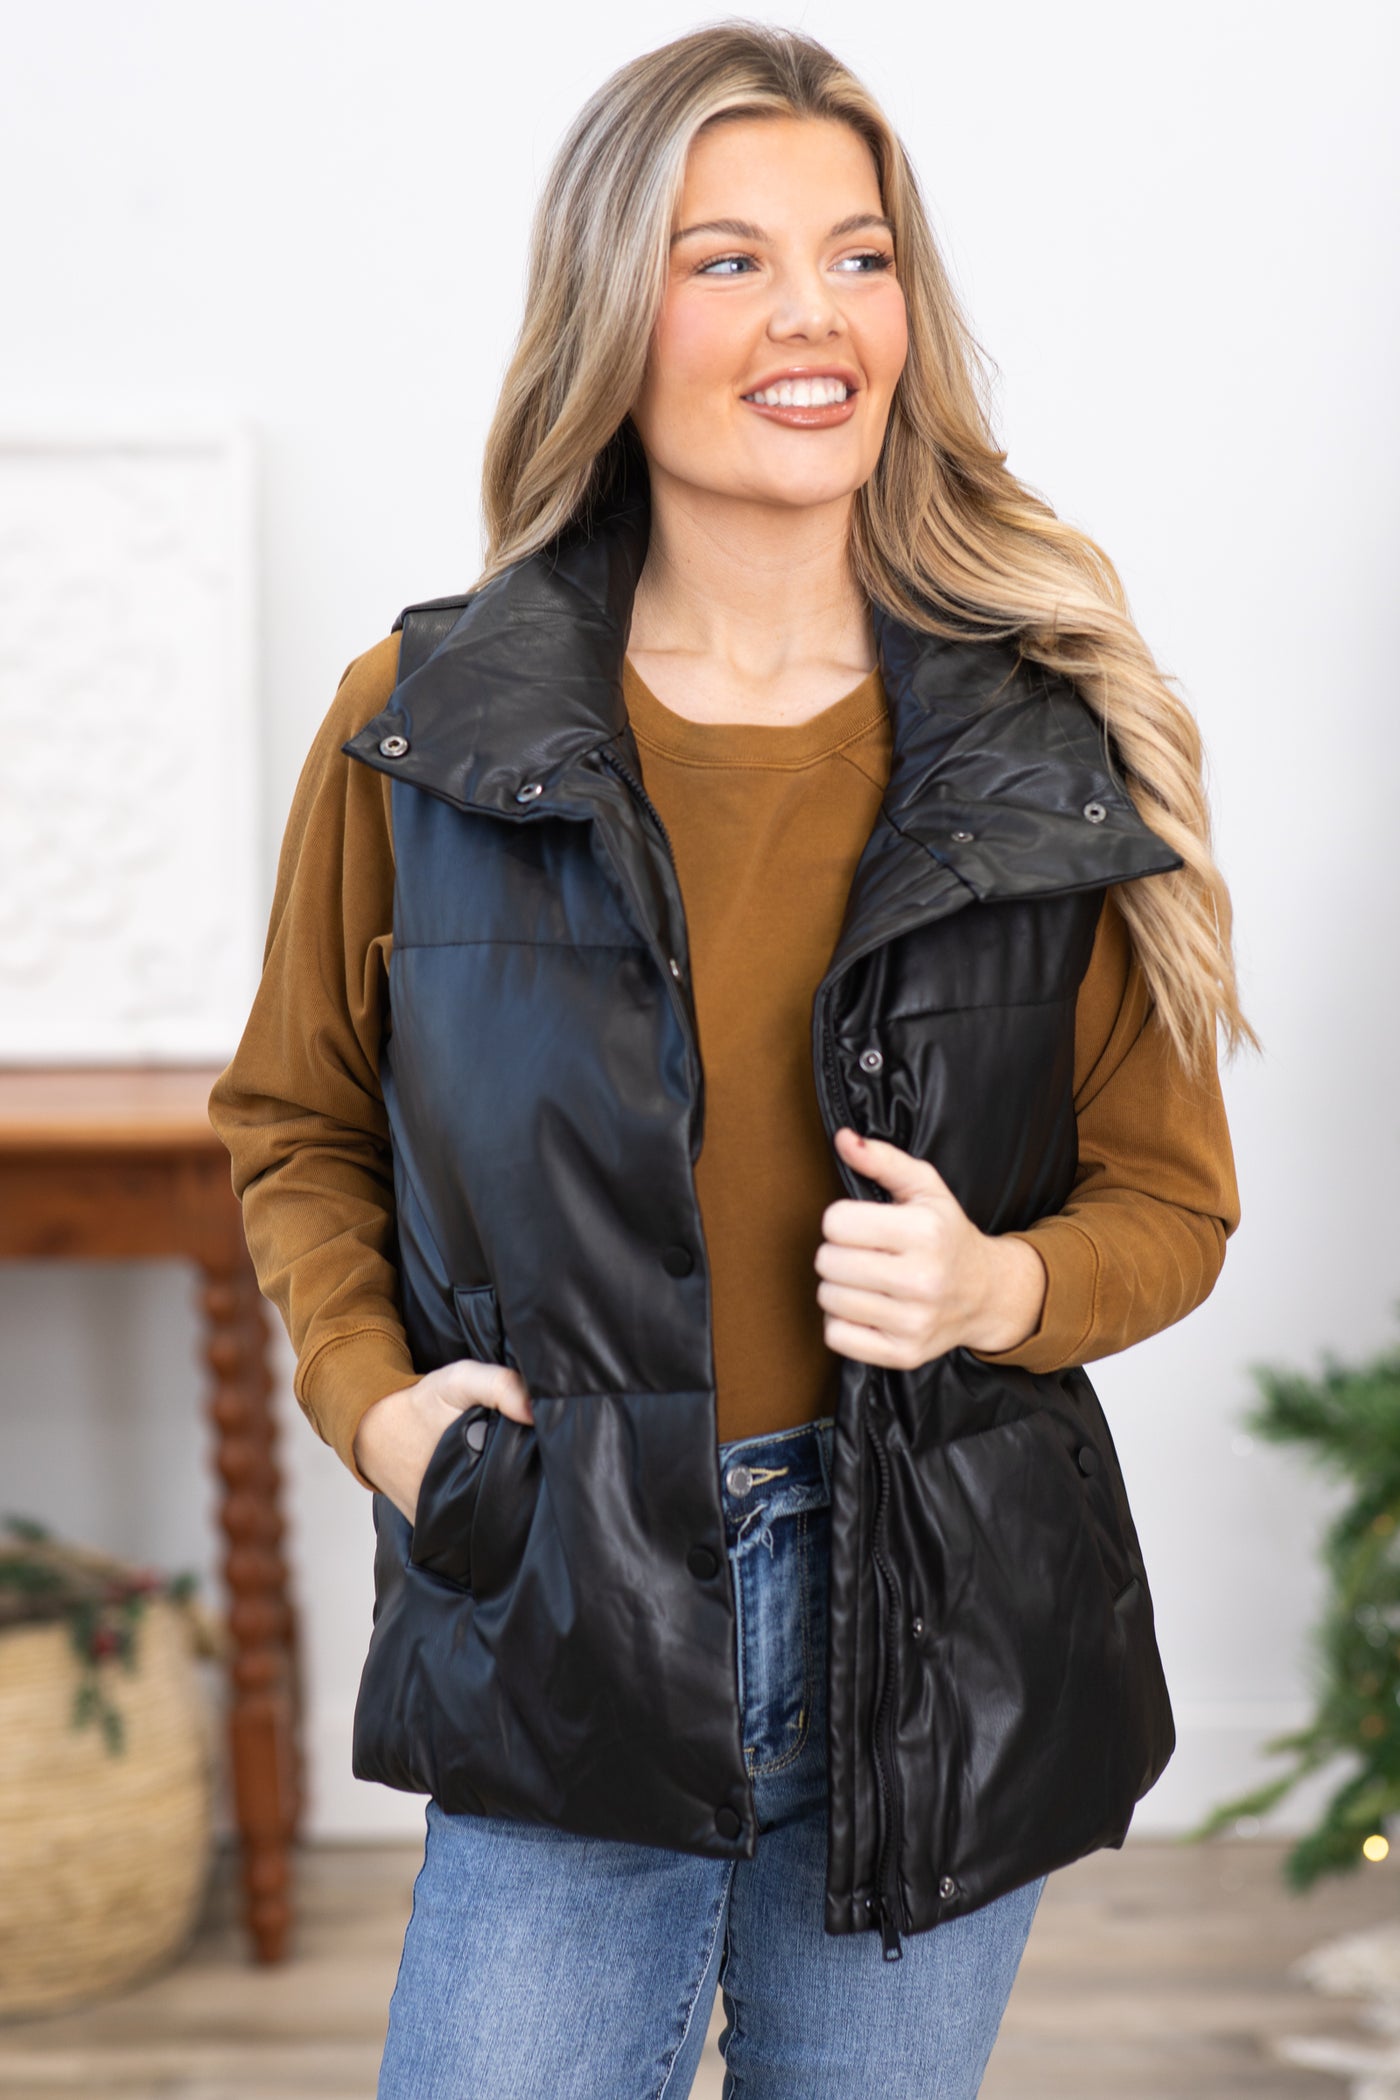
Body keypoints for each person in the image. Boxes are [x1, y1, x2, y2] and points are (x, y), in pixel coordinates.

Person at [208, 21, 1250, 2098]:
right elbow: (296, 1126)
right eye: (729, 261)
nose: (813, 317)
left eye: (860, 258)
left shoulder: (1043, 740)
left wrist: (995, 1285)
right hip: (563, 1598)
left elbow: (1170, 1201)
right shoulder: (422, 722)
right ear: (615, 312)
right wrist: (381, 1414)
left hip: (934, 1624)